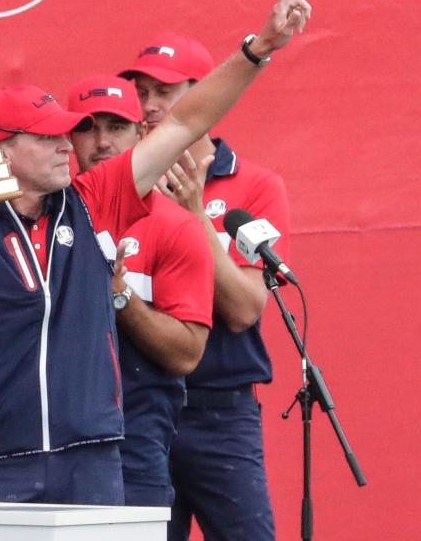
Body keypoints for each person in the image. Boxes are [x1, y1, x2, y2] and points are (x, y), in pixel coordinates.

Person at [0, 0, 310, 505]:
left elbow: (185, 121)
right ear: (0, 151)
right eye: (47, 138)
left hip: (90, 459)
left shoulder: (94, 199)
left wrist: (259, 49)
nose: (68, 145)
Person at [120, 34, 293, 539]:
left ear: (206, 95)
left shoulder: (255, 185)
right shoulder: (125, 183)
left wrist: (194, 217)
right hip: (140, 410)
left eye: (165, 93)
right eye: (142, 92)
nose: (149, 107)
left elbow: (244, 310)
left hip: (220, 412)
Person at [68, 74, 214, 507]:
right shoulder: (42, 220)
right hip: (51, 450)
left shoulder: (177, 226)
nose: (101, 142)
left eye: (116, 127)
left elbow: (187, 353)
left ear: (143, 134)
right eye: (87, 128)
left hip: (133, 448)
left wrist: (120, 296)